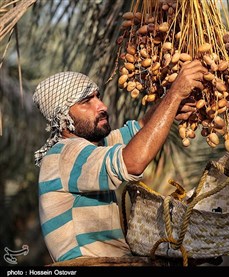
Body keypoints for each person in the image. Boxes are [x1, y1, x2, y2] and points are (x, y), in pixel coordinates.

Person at [32, 60, 207, 263]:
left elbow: (141, 130)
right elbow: (132, 162)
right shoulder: (66, 154)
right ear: (63, 119)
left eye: (97, 97)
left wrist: (172, 103)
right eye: (86, 102)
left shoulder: (93, 149)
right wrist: (175, 93)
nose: (102, 106)